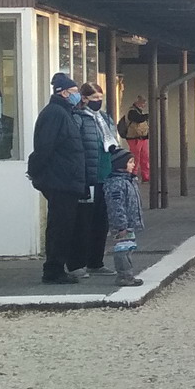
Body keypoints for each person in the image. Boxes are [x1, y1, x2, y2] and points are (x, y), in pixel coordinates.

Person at [27, 72, 95, 284]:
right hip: (60, 180)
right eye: (74, 91)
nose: (78, 95)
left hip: (67, 179)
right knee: (59, 226)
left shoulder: (64, 112)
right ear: (64, 93)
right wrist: (36, 171)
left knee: (66, 226)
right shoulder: (55, 114)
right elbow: (44, 147)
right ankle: (53, 270)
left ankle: (61, 267)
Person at [77, 82, 119, 275]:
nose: (98, 101)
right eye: (94, 98)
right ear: (84, 98)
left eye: (100, 98)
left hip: (106, 174)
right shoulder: (79, 118)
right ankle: (81, 261)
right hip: (90, 176)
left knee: (102, 222)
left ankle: (96, 261)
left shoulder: (105, 118)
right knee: (86, 221)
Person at [105, 147, 145, 287]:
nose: (133, 165)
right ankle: (124, 276)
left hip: (128, 224)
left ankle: (127, 275)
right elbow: (116, 206)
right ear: (121, 164)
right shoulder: (117, 183)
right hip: (122, 225)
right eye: (130, 162)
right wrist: (121, 225)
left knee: (128, 248)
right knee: (123, 250)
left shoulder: (128, 181)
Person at [118, 96, 151, 183]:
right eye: (143, 102)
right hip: (134, 138)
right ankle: (133, 175)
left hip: (142, 138)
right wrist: (148, 115)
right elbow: (138, 119)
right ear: (137, 102)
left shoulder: (138, 112)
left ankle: (146, 177)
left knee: (145, 158)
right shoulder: (132, 111)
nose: (144, 104)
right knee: (135, 157)